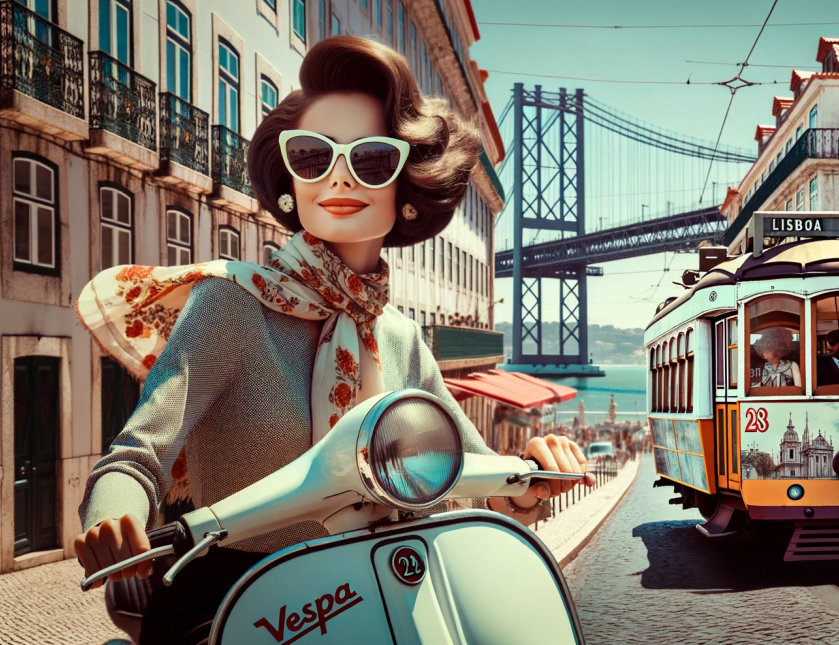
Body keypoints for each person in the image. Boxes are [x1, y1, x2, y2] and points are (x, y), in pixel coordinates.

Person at [72, 37, 592, 644]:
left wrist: (533, 473)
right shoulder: (232, 301)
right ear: (290, 177)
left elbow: (481, 479)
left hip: (379, 589)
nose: (339, 175)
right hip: (237, 598)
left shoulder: (401, 337)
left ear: (406, 188)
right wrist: (114, 516)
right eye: (314, 155)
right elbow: (138, 453)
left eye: (371, 160)